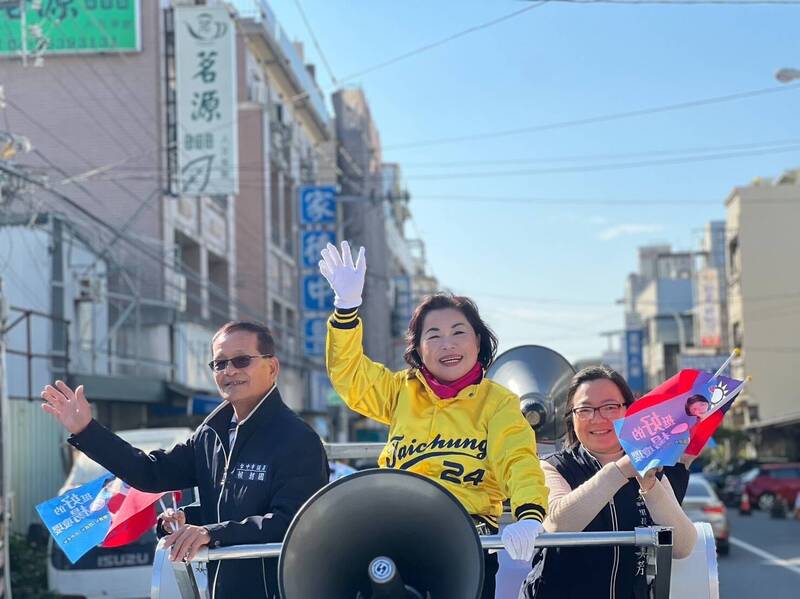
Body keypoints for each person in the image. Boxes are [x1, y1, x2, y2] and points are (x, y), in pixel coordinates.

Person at [319, 241, 548, 599]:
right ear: (418, 349)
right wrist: (346, 309)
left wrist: (530, 515)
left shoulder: (498, 403)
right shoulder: (401, 391)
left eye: (458, 333)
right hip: (394, 533)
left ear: (478, 342)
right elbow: (350, 377)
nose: (447, 345)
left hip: (465, 538)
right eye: (434, 336)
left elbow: (517, 461)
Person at [40, 321, 328, 599]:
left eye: (241, 361)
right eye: (220, 363)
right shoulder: (211, 434)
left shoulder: (297, 439)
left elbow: (294, 522)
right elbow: (150, 473)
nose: (229, 371)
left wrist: (209, 533)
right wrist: (87, 431)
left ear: (272, 367)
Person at [519, 366, 697, 599]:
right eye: (584, 410)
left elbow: (683, 546)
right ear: (571, 418)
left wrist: (651, 486)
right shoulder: (553, 466)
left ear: (629, 411)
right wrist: (621, 470)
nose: (598, 418)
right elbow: (557, 524)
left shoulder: (651, 468)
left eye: (610, 407)